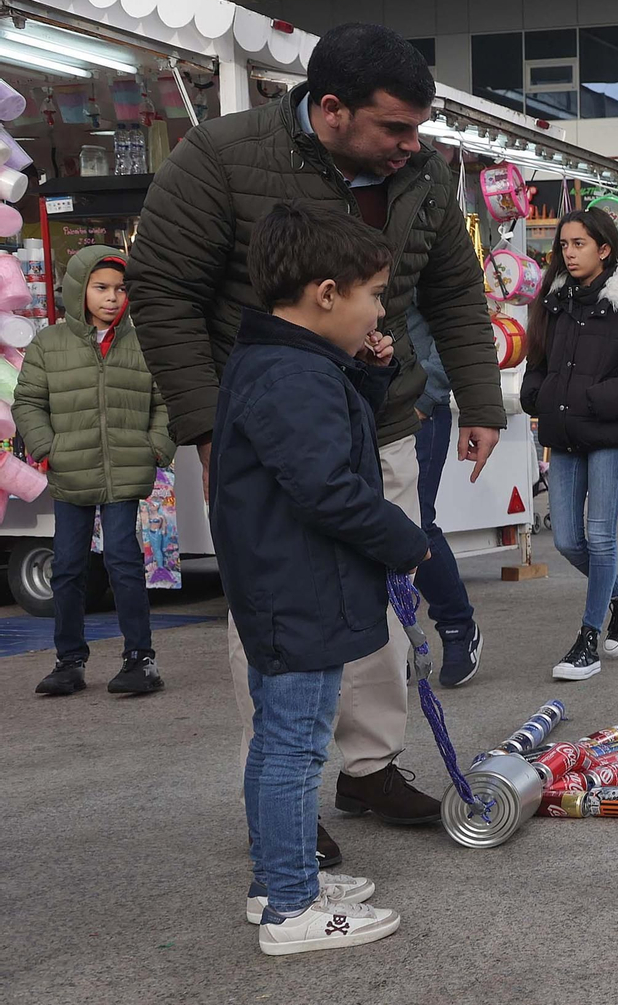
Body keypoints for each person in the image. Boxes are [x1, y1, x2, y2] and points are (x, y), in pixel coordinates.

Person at [128, 22, 505, 839]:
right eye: (395, 128)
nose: (413, 146)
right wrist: (206, 426)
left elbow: (454, 293)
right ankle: (283, 793)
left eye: (419, 127)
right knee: (276, 613)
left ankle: (370, 768)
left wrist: (480, 402)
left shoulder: (423, 176)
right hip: (267, 434)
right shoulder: (222, 157)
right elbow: (160, 293)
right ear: (331, 110)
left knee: (379, 608)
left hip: (384, 417)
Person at [213, 202, 428, 954]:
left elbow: (327, 447)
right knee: (296, 747)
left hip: (286, 582)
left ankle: (278, 879)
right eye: (372, 293)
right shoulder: (290, 374)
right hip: (298, 586)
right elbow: (328, 486)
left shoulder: (291, 363)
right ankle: (292, 912)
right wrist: (407, 542)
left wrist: (369, 375)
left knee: (279, 740)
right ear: (326, 294)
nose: (378, 308)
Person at [18, 248, 175, 697]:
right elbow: (28, 402)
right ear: (78, 289)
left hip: (125, 471)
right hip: (71, 473)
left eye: (120, 289)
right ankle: (69, 661)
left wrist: (155, 448)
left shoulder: (142, 342)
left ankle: (139, 659)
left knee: (124, 564)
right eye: (101, 288)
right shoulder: (49, 344)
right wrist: (50, 448)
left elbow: (165, 402)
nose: (112, 298)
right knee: (67, 569)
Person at [521, 210, 618, 681]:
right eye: (564, 244)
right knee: (566, 539)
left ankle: (588, 639)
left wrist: (590, 400)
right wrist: (535, 395)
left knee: (600, 535)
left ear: (604, 249)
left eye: (578, 243)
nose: (568, 252)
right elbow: (538, 360)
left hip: (609, 434)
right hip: (564, 436)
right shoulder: (555, 302)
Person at [405, 305, 483, 687]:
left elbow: (455, 322)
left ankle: (456, 626)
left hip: (418, 409)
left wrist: (427, 393)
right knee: (361, 527)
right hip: (360, 401)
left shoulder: (421, 249)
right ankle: (386, 644)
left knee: (415, 524)